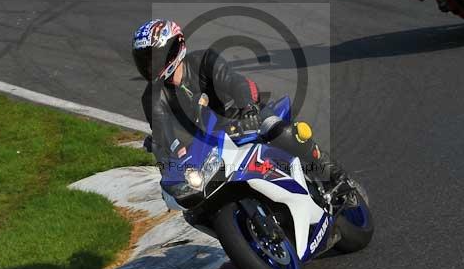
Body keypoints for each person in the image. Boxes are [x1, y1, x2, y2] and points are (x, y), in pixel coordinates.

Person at [131, 19, 353, 205]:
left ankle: (334, 176)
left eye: (154, 58)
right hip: (207, 147)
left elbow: (235, 82)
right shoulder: (151, 97)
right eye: (145, 61)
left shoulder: (204, 60)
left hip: (241, 121)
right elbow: (163, 133)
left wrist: (248, 109)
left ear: (175, 48)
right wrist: (170, 155)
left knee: (281, 131)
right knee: (190, 198)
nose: (150, 66)